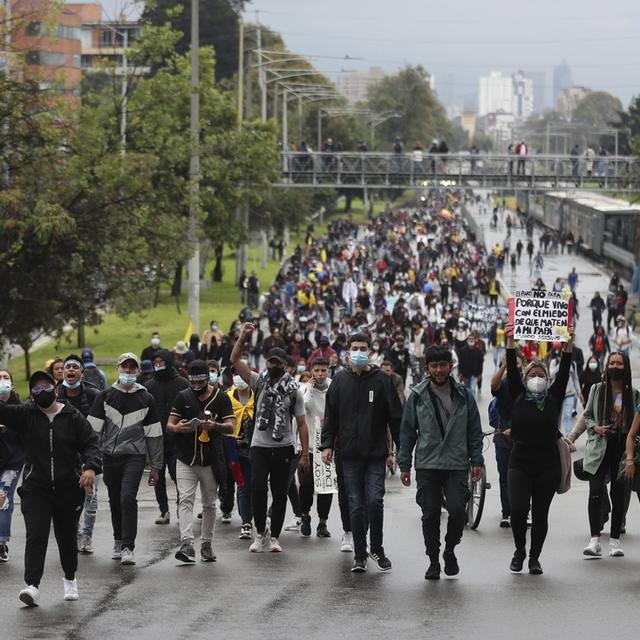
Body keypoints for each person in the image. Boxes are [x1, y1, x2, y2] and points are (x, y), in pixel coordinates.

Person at [0, 370, 100, 606]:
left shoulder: (72, 416)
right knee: (36, 534)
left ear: (56, 390)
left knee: (66, 537)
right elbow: (3, 411)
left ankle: (70, 578)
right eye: (36, 389)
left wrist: (90, 468)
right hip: (36, 487)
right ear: (32, 395)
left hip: (68, 486)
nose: (41, 392)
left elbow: (91, 443)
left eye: (46, 387)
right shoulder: (26, 414)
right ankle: (32, 586)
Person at [399, 346, 483, 580]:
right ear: (427, 368)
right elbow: (407, 432)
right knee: (430, 514)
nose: (438, 370)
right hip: (427, 463)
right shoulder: (417, 395)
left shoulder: (464, 394)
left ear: (450, 366)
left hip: (456, 462)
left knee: (457, 511)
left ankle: (449, 549)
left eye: (442, 365)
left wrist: (477, 460)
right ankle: (433, 559)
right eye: (434, 366)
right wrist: (404, 464)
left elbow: (474, 430)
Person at [321, 333, 402, 573]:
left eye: (363, 348)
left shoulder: (382, 380)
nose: (358, 352)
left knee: (375, 501)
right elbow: (330, 417)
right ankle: (359, 554)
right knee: (355, 505)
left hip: (376, 454)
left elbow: (395, 418)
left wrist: (402, 453)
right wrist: (327, 444)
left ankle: (376, 547)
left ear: (370, 352)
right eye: (354, 348)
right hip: (349, 456)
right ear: (347, 352)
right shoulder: (339, 381)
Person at [231, 323, 310, 553]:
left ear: (285, 365)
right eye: (270, 361)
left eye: (278, 363)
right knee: (257, 488)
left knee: (279, 493)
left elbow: (302, 423)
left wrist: (304, 453)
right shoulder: (258, 381)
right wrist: (244, 336)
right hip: (259, 446)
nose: (273, 366)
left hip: (284, 447)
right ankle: (260, 533)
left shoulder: (294, 390)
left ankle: (274, 537)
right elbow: (235, 359)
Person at [504, 320, 573, 575]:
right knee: (519, 510)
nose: (536, 378)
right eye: (532, 375)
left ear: (547, 378)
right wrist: (510, 341)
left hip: (547, 465)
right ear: (525, 379)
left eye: (540, 375)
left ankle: (534, 558)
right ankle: (520, 550)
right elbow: (512, 367)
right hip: (520, 462)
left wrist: (568, 344)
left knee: (541, 514)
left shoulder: (554, 398)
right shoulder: (517, 394)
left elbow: (565, 369)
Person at [88, 353, 163, 566]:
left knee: (127, 498)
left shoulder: (146, 398)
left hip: (135, 455)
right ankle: (118, 539)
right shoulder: (104, 396)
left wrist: (156, 466)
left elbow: (154, 434)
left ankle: (128, 546)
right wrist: (89, 462)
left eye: (132, 369)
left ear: (138, 371)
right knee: (114, 500)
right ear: (117, 369)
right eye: (124, 368)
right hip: (110, 456)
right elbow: (92, 432)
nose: (128, 372)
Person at [167, 360, 235, 563]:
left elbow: (231, 426)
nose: (195, 385)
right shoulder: (183, 397)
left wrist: (214, 426)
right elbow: (170, 424)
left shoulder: (221, 398)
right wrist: (178, 428)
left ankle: (207, 543)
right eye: (192, 381)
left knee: (209, 503)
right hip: (185, 458)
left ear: (208, 378)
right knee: (185, 499)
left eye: (200, 381)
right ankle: (186, 543)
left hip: (211, 459)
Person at [582, 352, 639, 558]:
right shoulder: (597, 390)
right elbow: (587, 416)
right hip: (600, 447)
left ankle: (615, 540)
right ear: (607, 366)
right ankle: (594, 539)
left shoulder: (632, 394)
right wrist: (595, 427)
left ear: (626, 368)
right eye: (612, 362)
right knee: (595, 491)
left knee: (618, 494)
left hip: (622, 449)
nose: (615, 366)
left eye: (619, 363)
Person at [56, 355, 101, 554]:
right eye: (68, 367)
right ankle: (71, 535)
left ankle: (86, 537)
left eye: (75, 367)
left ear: (81, 373)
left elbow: (102, 425)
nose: (71, 370)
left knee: (90, 498)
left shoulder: (94, 395)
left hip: (90, 453)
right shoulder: (55, 395)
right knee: (68, 499)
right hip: (64, 455)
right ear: (63, 372)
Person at [144, 349, 189, 525]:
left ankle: (181, 507)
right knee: (158, 477)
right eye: (156, 362)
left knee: (179, 476)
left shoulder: (182, 383)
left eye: (162, 361)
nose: (158, 365)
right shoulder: (149, 386)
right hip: (156, 440)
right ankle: (163, 510)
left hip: (178, 440)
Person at [298, 358, 335, 538]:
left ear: (328, 371)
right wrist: (310, 389)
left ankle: (323, 522)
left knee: (326, 486)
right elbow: (302, 407)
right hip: (309, 445)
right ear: (312, 371)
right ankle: (305, 515)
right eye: (317, 371)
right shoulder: (304, 389)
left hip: (327, 445)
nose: (320, 374)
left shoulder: (334, 388)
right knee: (306, 484)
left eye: (323, 370)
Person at [226, 369, 256, 540]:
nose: (239, 378)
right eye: (235, 374)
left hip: (257, 448)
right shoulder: (227, 398)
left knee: (258, 485)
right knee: (242, 484)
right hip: (234, 448)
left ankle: (258, 516)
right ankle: (246, 522)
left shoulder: (257, 396)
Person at [0, 369, 23, 563]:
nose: (2, 381)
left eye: (6, 377)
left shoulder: (20, 408)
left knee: (3, 499)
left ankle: (1, 543)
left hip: (12, 463)